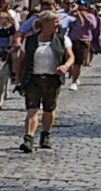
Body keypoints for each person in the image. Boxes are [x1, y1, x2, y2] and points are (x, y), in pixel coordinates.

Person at [15, 9, 73, 153]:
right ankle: (28, 139)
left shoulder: (62, 39)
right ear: (44, 23)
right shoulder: (29, 41)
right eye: (55, 21)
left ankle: (46, 136)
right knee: (32, 109)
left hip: (53, 79)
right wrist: (17, 79)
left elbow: (71, 57)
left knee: (49, 108)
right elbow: (20, 60)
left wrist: (65, 66)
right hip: (33, 79)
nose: (58, 24)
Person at [68, 1, 96, 87]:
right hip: (72, 39)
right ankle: (74, 76)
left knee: (78, 62)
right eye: (79, 5)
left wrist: (85, 17)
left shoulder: (90, 16)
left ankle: (74, 81)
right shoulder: (73, 15)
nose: (80, 7)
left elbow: (93, 26)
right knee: (70, 60)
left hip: (84, 40)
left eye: (83, 6)